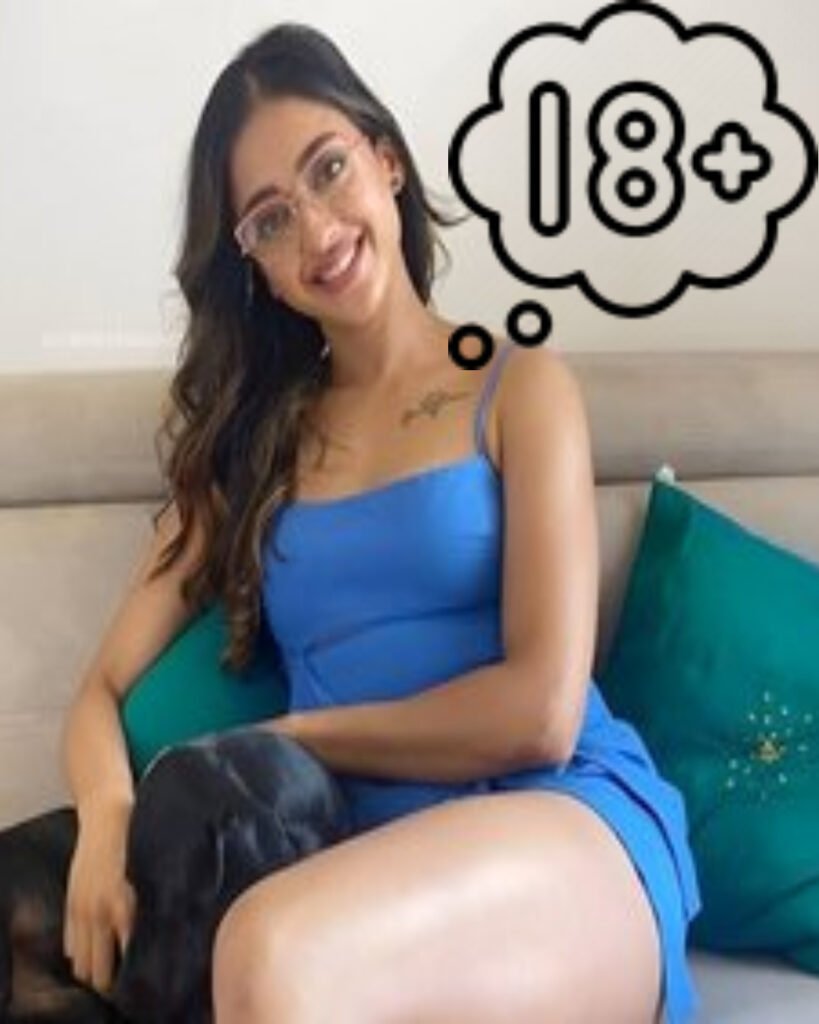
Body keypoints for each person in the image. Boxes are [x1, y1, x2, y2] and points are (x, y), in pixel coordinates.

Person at [60, 21, 702, 1024]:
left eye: (329, 170)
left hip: (562, 821)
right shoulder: (253, 449)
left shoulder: (520, 386)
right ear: (255, 267)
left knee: (266, 948)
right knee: (271, 950)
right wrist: (106, 820)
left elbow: (540, 710)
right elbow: (99, 689)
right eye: (270, 220)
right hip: (357, 873)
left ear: (387, 161)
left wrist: (296, 736)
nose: (316, 230)